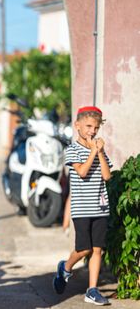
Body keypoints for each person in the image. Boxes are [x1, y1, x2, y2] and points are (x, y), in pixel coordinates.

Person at [53, 106, 112, 306]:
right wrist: (93, 152)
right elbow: (83, 172)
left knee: (97, 250)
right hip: (82, 209)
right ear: (77, 125)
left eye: (95, 127)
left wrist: (100, 152)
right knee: (84, 249)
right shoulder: (72, 150)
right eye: (88, 126)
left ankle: (92, 290)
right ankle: (66, 267)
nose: (92, 131)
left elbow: (106, 175)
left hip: (100, 207)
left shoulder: (99, 149)